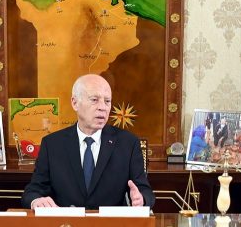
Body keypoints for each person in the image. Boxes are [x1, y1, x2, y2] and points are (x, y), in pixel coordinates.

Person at [21, 74, 154, 208]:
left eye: (107, 101)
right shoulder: (52, 144)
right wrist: (36, 200)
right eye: (94, 100)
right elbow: (33, 191)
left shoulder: (128, 143)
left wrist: (141, 199)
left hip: (110, 221)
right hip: (67, 221)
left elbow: (145, 191)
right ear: (75, 103)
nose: (103, 107)